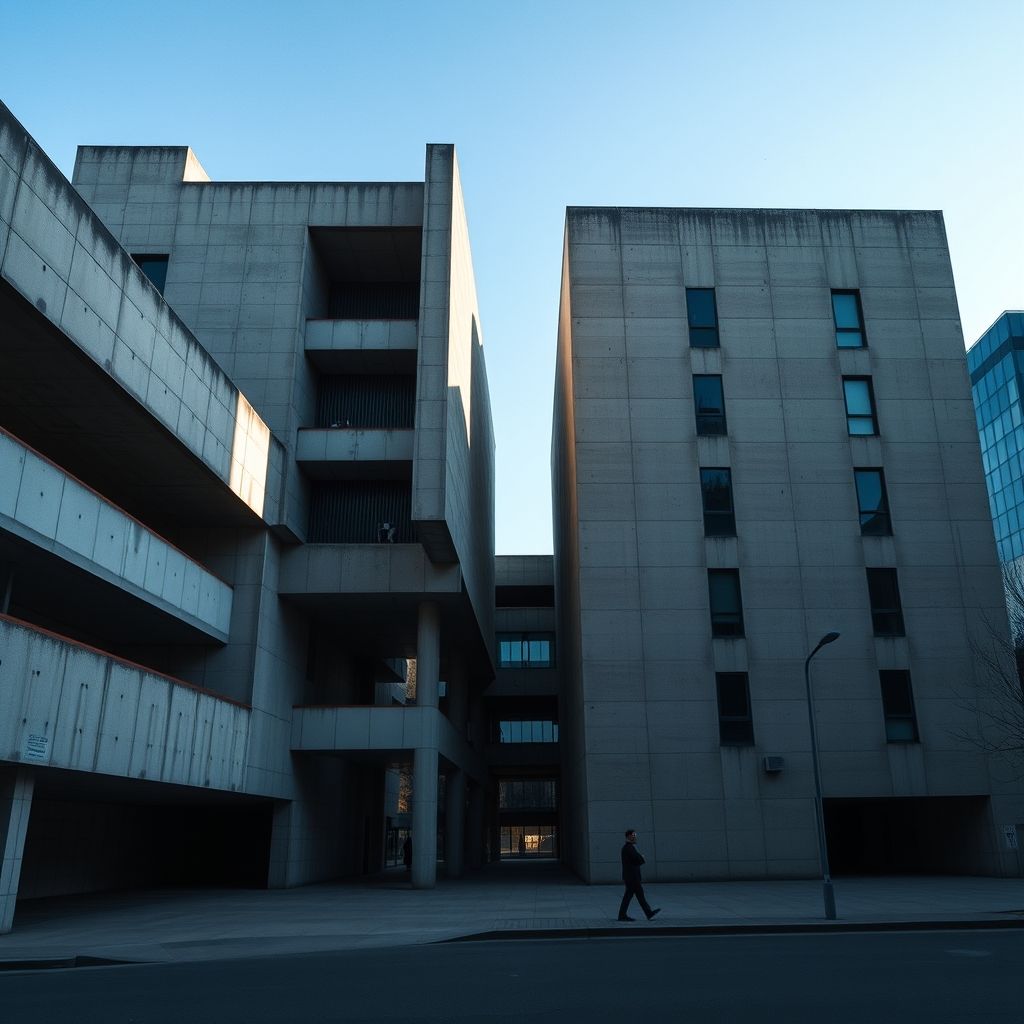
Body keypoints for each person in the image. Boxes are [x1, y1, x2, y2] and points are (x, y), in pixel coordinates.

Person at [618, 828, 661, 922]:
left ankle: (647, 913)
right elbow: (636, 859)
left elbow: (634, 859)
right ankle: (624, 915)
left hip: (631, 877)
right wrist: (642, 857)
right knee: (634, 896)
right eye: (633, 836)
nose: (635, 837)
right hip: (632, 878)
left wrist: (640, 857)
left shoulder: (628, 848)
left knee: (635, 895)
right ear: (629, 836)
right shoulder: (628, 848)